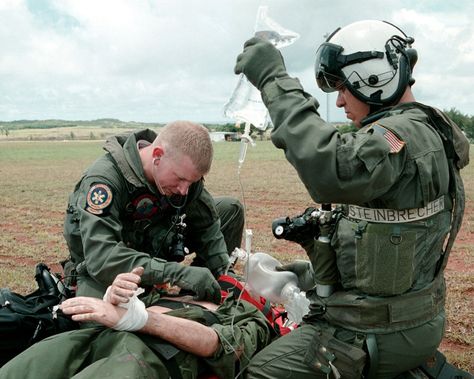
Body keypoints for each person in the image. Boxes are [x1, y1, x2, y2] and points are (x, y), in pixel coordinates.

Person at [234, 19, 470, 378]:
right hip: (413, 317)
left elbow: (330, 169)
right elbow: (388, 248)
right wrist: (310, 276)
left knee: (259, 371)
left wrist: (272, 78)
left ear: (374, 78)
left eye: (344, 88)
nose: (340, 101)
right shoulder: (428, 128)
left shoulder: (399, 137)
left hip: (375, 332)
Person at [63, 120, 244, 303]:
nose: (184, 190)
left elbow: (207, 227)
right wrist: (175, 273)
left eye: (191, 182)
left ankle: (200, 288)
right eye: (180, 179)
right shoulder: (105, 181)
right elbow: (101, 258)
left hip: (155, 245)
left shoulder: (182, 177)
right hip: (108, 266)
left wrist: (223, 271)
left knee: (230, 209)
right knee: (101, 321)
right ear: (157, 156)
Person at [0, 267, 274, 379]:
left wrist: (141, 319)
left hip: (146, 357)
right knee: (21, 370)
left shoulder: (250, 316)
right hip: (95, 338)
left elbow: (218, 345)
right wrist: (116, 297)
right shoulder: (177, 292)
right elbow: (127, 305)